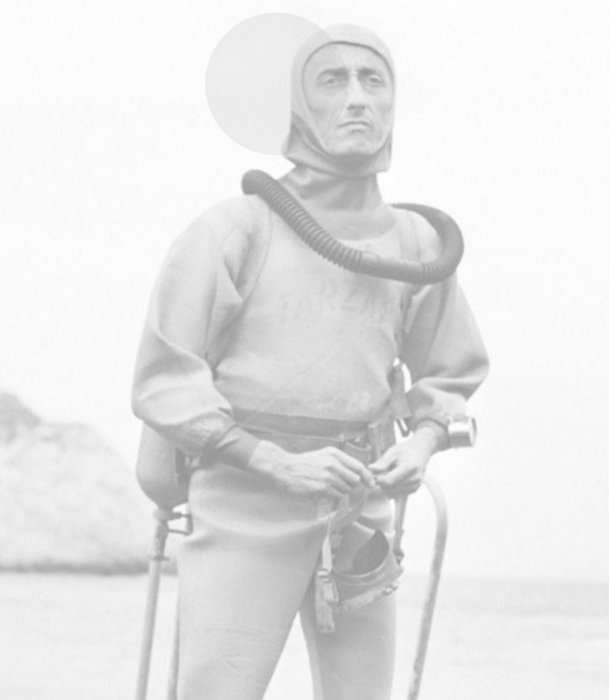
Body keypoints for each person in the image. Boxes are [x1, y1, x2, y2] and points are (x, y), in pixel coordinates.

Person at [132, 23, 488, 700]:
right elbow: (165, 380)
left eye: (372, 79)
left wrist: (424, 442)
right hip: (244, 498)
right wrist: (274, 463)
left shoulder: (417, 245)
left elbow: (449, 372)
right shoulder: (236, 229)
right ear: (297, 106)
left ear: (393, 102)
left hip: (359, 502)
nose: (357, 98)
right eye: (332, 80)